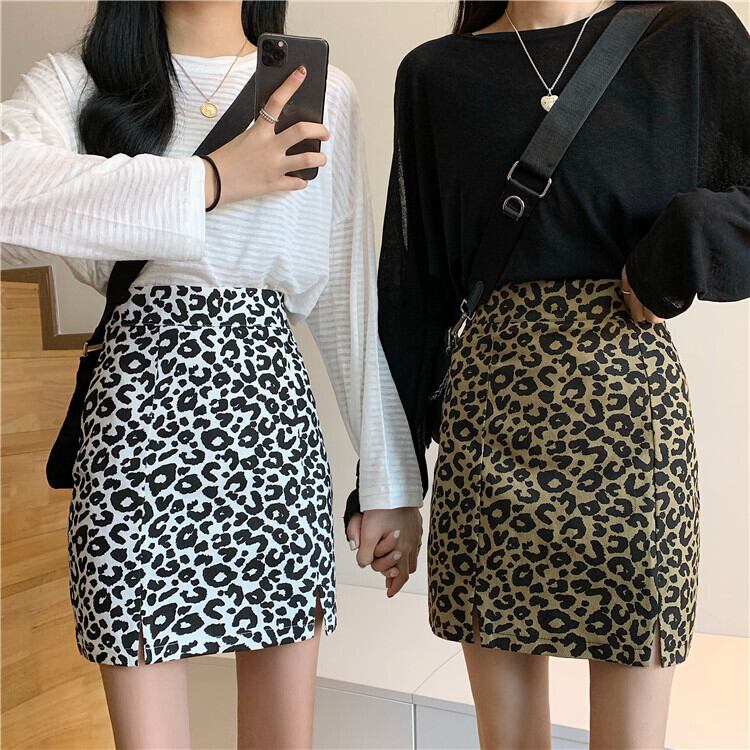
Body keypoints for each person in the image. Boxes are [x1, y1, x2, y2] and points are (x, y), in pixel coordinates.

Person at [0, 2, 423, 747]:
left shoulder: (319, 91)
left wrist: (390, 480)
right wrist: (210, 179)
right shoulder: (78, 82)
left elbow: (349, 297)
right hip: (136, 421)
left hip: (269, 420)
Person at [350, 1, 750, 748]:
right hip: (487, 431)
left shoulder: (686, 37)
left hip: (632, 437)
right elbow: (411, 295)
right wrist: (390, 482)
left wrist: (686, 239)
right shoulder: (436, 75)